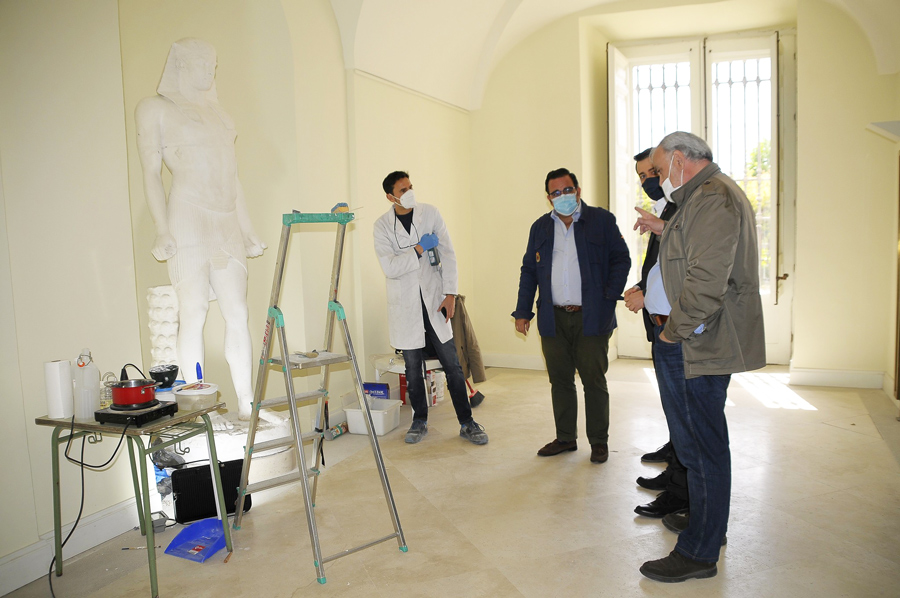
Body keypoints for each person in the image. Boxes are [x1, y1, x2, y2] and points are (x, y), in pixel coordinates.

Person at [633, 132, 765, 582]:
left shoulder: (713, 196)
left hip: (692, 342)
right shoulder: (702, 197)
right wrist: (664, 228)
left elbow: (707, 277)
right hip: (690, 339)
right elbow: (697, 247)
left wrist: (672, 332)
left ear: (679, 159)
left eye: (656, 168)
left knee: (702, 446)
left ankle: (699, 552)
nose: (655, 177)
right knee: (695, 444)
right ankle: (709, 526)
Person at [135, 38, 268, 425]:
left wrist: (246, 228)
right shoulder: (155, 110)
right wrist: (161, 228)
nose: (208, 70)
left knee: (238, 312)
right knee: (191, 312)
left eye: (211, 63)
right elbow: (151, 174)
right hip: (188, 216)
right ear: (180, 65)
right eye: (200, 63)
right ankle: (197, 409)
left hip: (225, 219)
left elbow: (232, 176)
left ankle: (247, 403)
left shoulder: (221, 116)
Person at [513, 168, 630, 463]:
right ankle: (565, 437)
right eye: (556, 193)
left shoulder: (601, 221)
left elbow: (621, 259)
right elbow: (529, 271)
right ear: (549, 197)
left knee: (593, 379)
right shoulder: (540, 228)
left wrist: (608, 296)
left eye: (567, 190)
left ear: (578, 190)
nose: (562, 197)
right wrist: (523, 311)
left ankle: (599, 441)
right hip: (553, 318)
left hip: (591, 316)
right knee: (560, 380)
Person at [373, 171, 488, 445]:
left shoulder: (431, 214)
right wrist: (418, 250)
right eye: (403, 189)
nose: (410, 192)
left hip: (435, 300)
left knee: (452, 364)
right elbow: (390, 268)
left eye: (411, 186)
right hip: (406, 305)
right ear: (390, 196)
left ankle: (467, 422)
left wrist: (450, 294)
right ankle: (419, 421)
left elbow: (448, 255)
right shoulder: (382, 226)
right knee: (413, 369)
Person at [626, 149, 689, 519]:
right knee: (674, 406)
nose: (648, 179)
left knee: (686, 413)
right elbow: (656, 267)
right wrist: (640, 287)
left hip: (678, 325)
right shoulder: (666, 209)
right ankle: (674, 465)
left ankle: (680, 488)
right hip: (661, 321)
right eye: (642, 175)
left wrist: (646, 293)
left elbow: (683, 271)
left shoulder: (685, 209)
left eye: (653, 171)